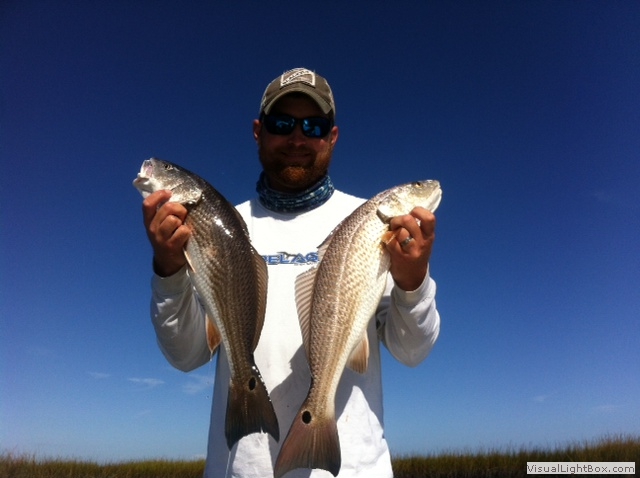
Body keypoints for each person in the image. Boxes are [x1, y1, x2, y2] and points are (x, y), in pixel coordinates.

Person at [140, 67, 440, 478]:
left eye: (313, 126)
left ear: (332, 137)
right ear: (258, 131)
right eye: (282, 124)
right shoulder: (224, 228)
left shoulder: (373, 227)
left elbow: (413, 351)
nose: (297, 138)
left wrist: (413, 281)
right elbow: (186, 355)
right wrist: (169, 270)